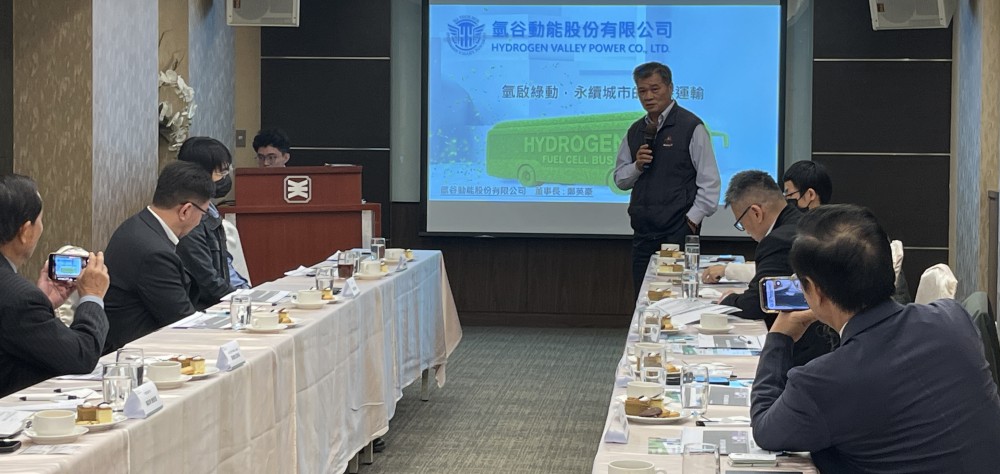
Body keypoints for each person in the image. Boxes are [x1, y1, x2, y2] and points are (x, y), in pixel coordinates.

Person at [751, 204, 1000, 472]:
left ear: (815, 290)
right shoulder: (953, 318)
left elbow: (765, 429)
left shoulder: (824, 381)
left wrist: (779, 336)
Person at [613, 61, 721, 299]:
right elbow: (620, 179)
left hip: (677, 232)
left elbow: (710, 182)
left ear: (670, 88)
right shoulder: (635, 131)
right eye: (642, 91)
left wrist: (690, 222)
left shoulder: (691, 126)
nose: (648, 96)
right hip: (643, 233)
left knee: (676, 298)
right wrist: (637, 166)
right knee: (644, 300)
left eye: (655, 89)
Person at [0, 174, 110, 396]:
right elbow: (82, 356)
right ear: (25, 231)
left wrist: (43, 305)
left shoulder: (20, 297)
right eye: (40, 220)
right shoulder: (19, 299)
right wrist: (92, 296)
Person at [717, 170, 836, 367]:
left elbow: (755, 304)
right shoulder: (801, 222)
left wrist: (727, 300)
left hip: (806, 349)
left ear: (756, 212)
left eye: (741, 223)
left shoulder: (778, 241)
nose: (745, 231)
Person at [103, 161, 214, 353]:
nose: (200, 221)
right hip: (135, 354)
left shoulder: (138, 225)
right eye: (203, 213)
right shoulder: (155, 253)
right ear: (186, 211)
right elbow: (181, 321)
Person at [175, 137, 248, 309]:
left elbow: (225, 266)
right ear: (200, 173)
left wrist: (246, 291)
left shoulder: (211, 211)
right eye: (220, 173)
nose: (225, 179)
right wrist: (242, 299)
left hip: (229, 297)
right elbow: (208, 280)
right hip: (211, 307)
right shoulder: (189, 218)